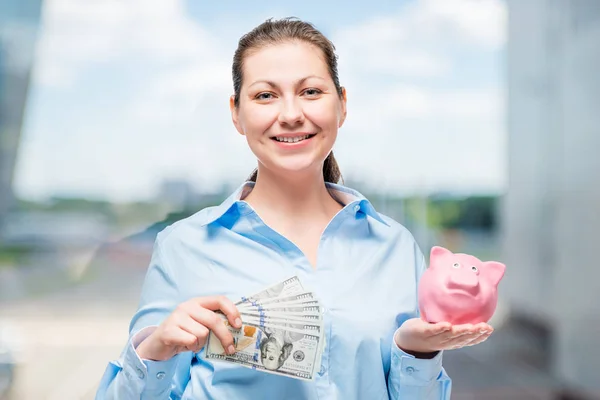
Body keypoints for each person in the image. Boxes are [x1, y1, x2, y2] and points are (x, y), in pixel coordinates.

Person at [95, 17, 493, 399]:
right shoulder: (184, 246)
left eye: (311, 92)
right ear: (236, 112)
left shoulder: (395, 247)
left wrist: (417, 353)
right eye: (265, 95)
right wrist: (154, 351)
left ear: (342, 104)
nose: (289, 115)